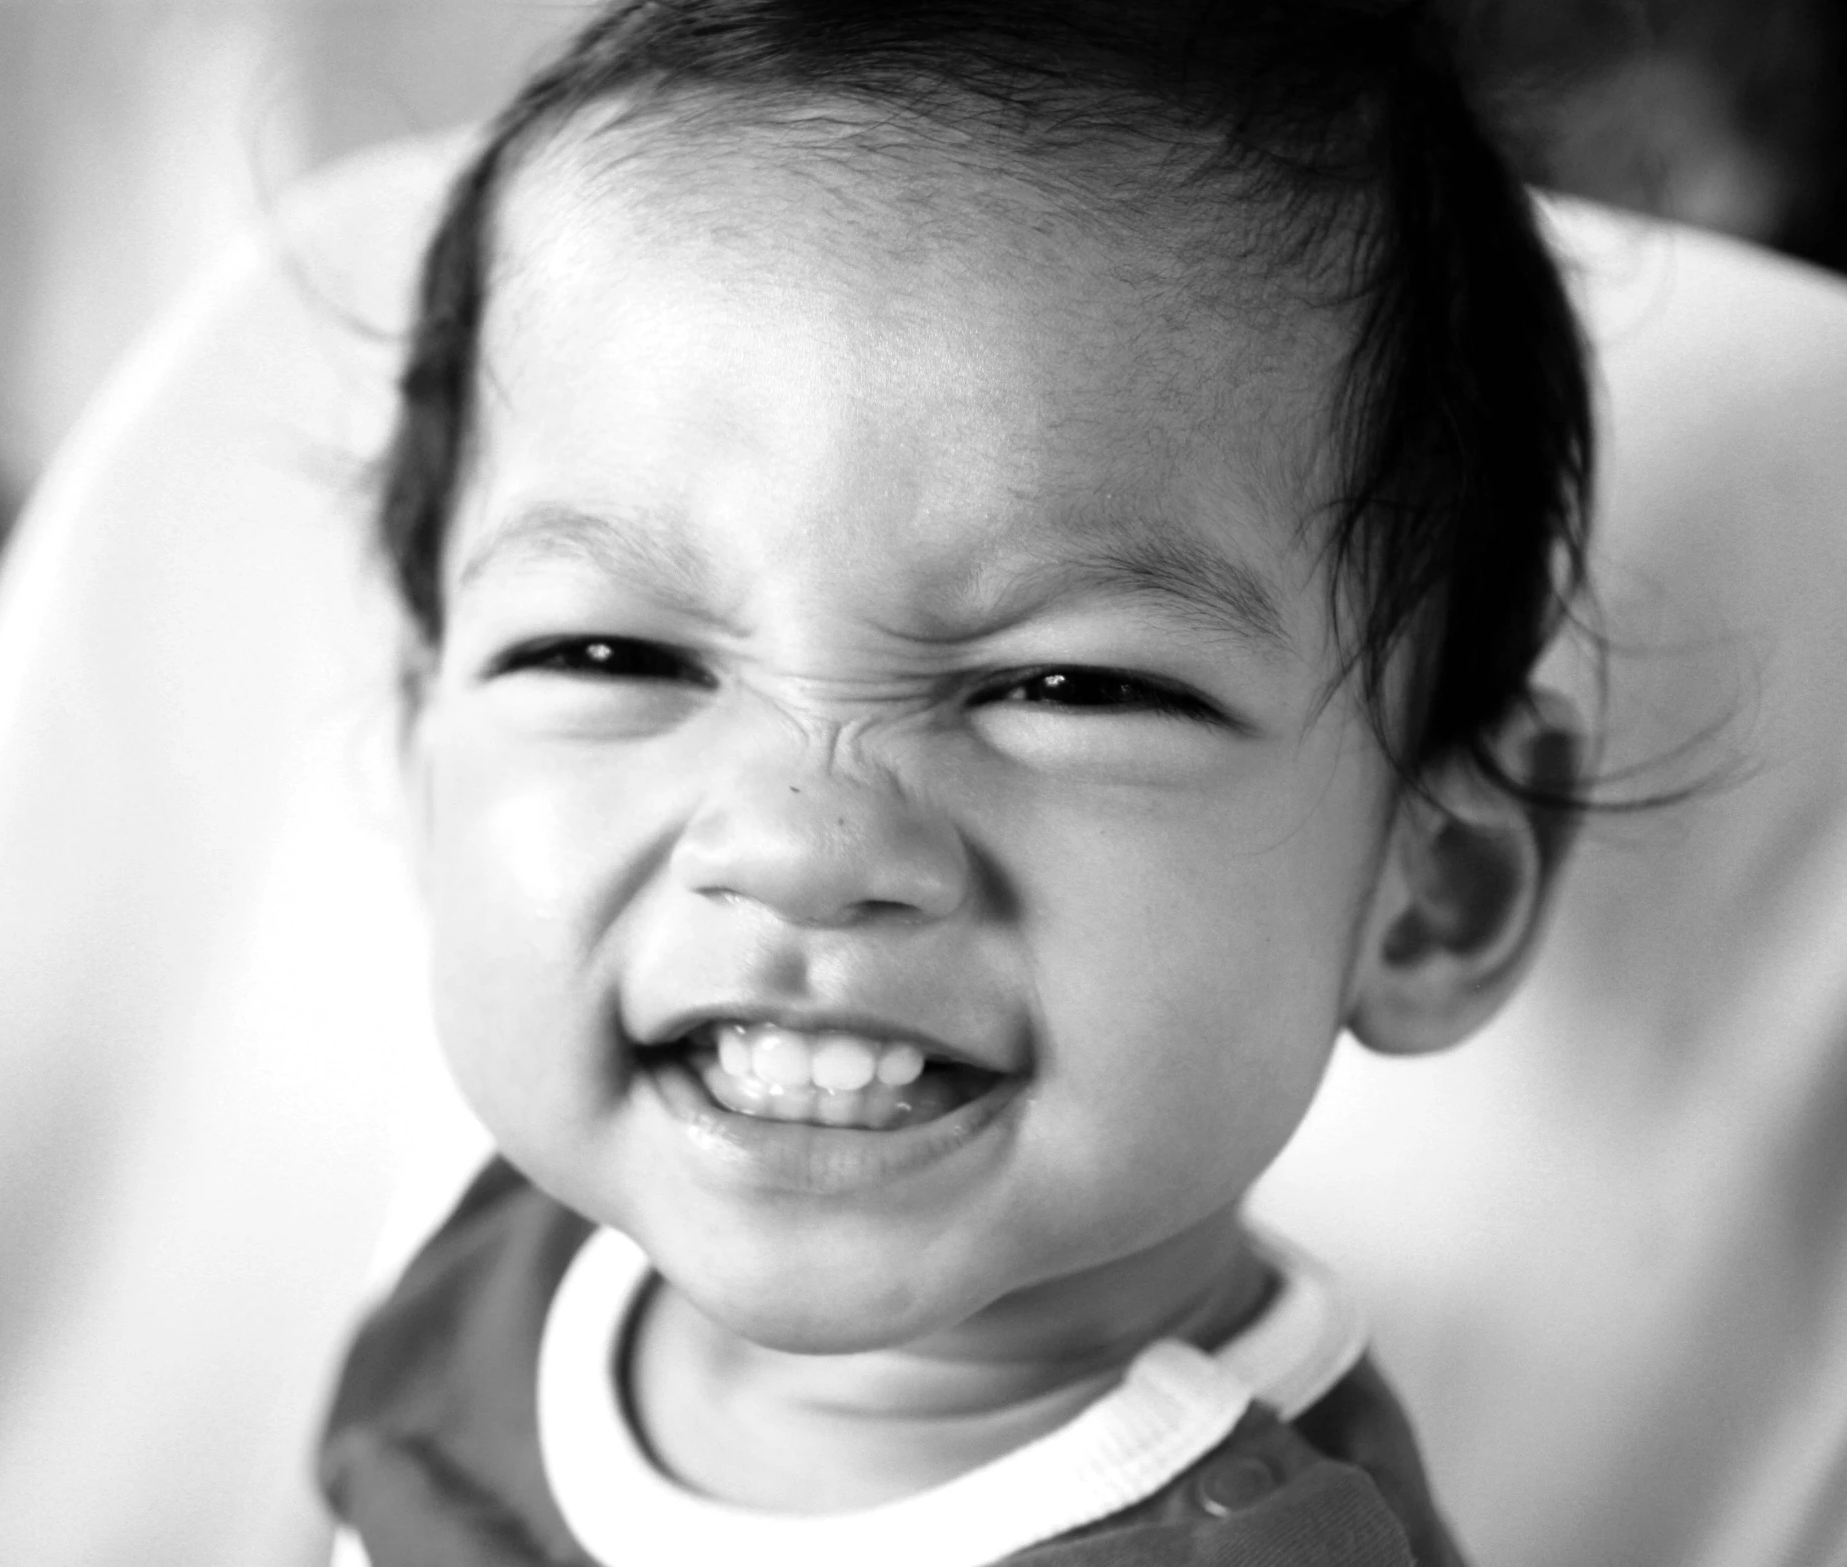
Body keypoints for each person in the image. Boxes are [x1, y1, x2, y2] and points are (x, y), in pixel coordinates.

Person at [319, 1, 1591, 1561]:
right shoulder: (495, 1257)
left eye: (1074, 687)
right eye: (607, 656)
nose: (802, 840)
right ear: (415, 744)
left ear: (1433, 887)